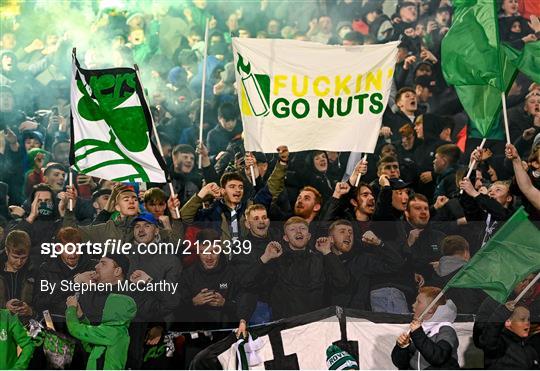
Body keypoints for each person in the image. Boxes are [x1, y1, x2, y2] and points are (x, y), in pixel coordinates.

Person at [243, 216, 349, 320]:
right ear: (286, 237)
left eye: (302, 228)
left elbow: (342, 282)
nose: (298, 232)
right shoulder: (276, 260)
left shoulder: (321, 259)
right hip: (286, 328)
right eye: (292, 229)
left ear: (308, 236)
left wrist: (327, 252)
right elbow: (247, 282)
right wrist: (265, 258)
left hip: (316, 326)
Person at [391, 286, 460, 369]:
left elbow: (438, 357)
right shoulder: (417, 328)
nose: (413, 305)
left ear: (430, 309)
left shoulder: (446, 330)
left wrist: (417, 333)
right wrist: (402, 347)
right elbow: (400, 364)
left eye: (418, 302)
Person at [66, 293, 137, 370]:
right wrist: (81, 316)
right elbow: (89, 345)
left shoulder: (112, 332)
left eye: (108, 308)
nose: (103, 310)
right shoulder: (118, 331)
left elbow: (75, 329)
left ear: (115, 312)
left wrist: (71, 308)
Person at [476, 301, 540, 369]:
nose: (527, 323)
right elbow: (489, 337)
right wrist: (502, 312)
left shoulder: (530, 349)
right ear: (508, 323)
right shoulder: (500, 345)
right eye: (522, 319)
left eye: (528, 319)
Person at [0, 230, 34, 320]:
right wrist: (4, 307)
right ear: (7, 251)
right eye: (15, 257)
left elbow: (44, 306)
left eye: (23, 258)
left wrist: (30, 311)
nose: (19, 262)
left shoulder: (34, 272)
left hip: (25, 326)